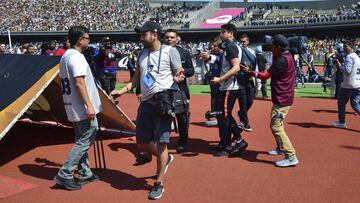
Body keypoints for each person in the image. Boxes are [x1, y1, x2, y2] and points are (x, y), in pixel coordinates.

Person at [110, 21, 184, 200]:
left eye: (144, 34)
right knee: (141, 142)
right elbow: (137, 78)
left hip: (163, 100)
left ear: (154, 34)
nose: (141, 37)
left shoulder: (170, 51)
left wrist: (178, 76)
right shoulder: (142, 53)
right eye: (140, 34)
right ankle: (165, 158)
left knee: (161, 142)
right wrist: (123, 89)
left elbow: (180, 71)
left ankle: (158, 183)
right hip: (146, 102)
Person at [54, 26, 102, 190]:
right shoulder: (77, 57)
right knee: (84, 140)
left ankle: (85, 172)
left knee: (81, 139)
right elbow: (79, 82)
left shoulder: (65, 56)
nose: (89, 41)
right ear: (80, 39)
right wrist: (89, 105)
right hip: (81, 107)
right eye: (87, 38)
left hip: (72, 105)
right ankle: (65, 173)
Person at [242, 34, 299, 167]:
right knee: (278, 125)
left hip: (282, 99)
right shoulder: (287, 55)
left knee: (275, 126)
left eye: (273, 46)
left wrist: (250, 72)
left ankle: (291, 156)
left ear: (278, 47)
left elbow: (265, 75)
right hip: (284, 97)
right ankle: (281, 148)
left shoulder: (282, 60)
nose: (270, 48)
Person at [210, 23, 247, 157]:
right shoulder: (230, 46)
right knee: (223, 115)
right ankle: (227, 142)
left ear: (231, 33)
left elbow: (236, 67)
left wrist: (220, 79)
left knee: (225, 116)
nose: (221, 34)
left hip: (230, 86)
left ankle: (234, 142)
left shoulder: (231, 46)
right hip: (227, 86)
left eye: (223, 31)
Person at [164, 28, 194, 153]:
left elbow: (191, 70)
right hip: (164, 91)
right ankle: (163, 141)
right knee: (164, 116)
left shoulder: (185, 53)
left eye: (172, 37)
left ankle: (182, 141)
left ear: (177, 39)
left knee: (182, 118)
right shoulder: (158, 53)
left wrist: (182, 72)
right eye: (167, 37)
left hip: (180, 91)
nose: (169, 39)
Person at [332, 40, 360, 129]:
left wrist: (339, 66)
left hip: (349, 84)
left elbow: (347, 71)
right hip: (357, 83)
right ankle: (341, 121)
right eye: (344, 46)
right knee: (355, 105)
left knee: (341, 103)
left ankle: (341, 122)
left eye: (346, 46)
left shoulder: (349, 57)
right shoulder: (357, 56)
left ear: (351, 47)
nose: (344, 48)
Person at [237, 34, 256, 132]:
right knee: (243, 103)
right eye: (241, 41)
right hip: (240, 80)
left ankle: (241, 113)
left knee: (250, 100)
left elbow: (255, 65)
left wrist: (257, 78)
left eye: (244, 41)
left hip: (250, 78)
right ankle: (245, 122)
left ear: (248, 42)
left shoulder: (252, 52)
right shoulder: (238, 51)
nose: (242, 43)